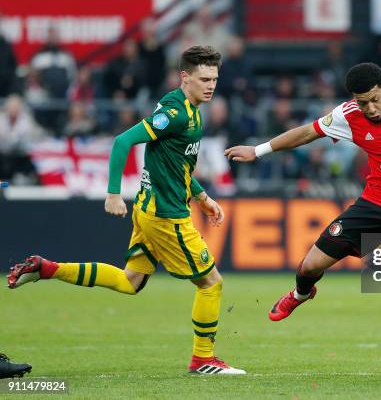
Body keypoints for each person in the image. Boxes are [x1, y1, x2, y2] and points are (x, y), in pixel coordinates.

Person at [225, 45, 381, 382]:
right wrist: (259, 150)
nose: (369, 108)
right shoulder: (349, 114)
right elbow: (306, 132)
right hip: (371, 205)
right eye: (362, 101)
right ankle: (301, 293)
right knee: (310, 265)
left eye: (374, 99)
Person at [7, 45, 245, 375]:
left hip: (154, 209)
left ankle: (47, 269)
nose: (211, 86)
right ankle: (203, 359)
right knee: (211, 283)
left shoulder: (191, 109)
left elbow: (177, 166)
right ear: (184, 77)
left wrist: (202, 197)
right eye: (204, 78)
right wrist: (113, 193)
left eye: (215, 79)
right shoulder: (175, 113)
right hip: (166, 216)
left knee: (131, 281)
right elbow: (122, 142)